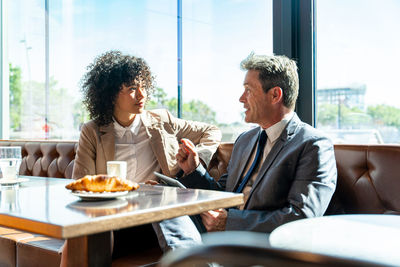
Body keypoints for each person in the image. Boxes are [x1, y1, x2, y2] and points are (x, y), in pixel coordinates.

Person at [61, 50, 221, 264]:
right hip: (113, 217)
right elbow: (82, 184)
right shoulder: (93, 130)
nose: (142, 95)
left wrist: (194, 162)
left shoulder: (161, 120)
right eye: (132, 89)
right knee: (82, 236)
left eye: (143, 87)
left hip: (155, 217)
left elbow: (211, 131)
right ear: (110, 94)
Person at [176, 53, 337, 233]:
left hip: (263, 248)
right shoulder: (245, 140)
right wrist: (194, 169)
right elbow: (223, 195)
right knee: (168, 214)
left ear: (275, 95)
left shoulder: (313, 145)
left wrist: (230, 223)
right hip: (225, 238)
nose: (241, 98)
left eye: (248, 90)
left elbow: (302, 216)